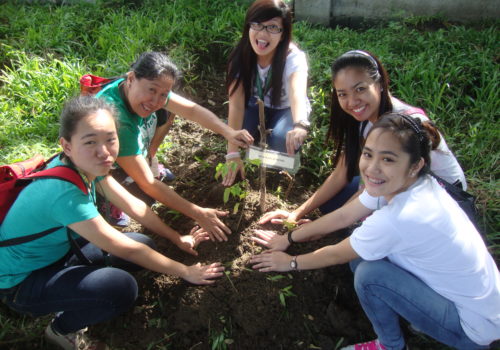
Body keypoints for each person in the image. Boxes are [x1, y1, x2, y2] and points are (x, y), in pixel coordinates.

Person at [249, 112, 500, 350]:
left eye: (388, 159)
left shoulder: (401, 217)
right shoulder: (415, 183)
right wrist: (288, 237)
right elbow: (344, 215)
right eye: (368, 154)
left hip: (473, 329)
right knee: (361, 256)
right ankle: (411, 316)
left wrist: (290, 263)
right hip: (481, 304)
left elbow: (336, 254)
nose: (372, 168)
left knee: (369, 274)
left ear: (415, 165)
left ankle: (390, 344)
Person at [0, 96, 224, 350]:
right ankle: (61, 331)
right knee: (121, 288)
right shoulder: (62, 193)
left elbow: (135, 206)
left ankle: (79, 290)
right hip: (20, 282)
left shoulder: (85, 167)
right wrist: (185, 271)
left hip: (56, 254)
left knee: (144, 242)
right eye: (90, 142)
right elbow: (124, 248)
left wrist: (177, 238)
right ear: (67, 145)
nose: (104, 152)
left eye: (110, 139)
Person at [260, 49, 466, 225]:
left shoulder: (402, 127)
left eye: (360, 89)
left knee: (356, 238)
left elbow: (369, 195)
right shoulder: (363, 119)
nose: (352, 102)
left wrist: (314, 230)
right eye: (343, 94)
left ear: (380, 84)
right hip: (395, 183)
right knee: (332, 203)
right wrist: (296, 214)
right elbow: (342, 172)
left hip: (442, 199)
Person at [96, 51, 254, 241]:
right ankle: (109, 196)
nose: (155, 101)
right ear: (131, 78)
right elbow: (148, 183)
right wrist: (198, 213)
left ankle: (145, 161)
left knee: (166, 111)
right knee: (144, 195)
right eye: (152, 90)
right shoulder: (116, 118)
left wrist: (229, 132)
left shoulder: (140, 91)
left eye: (163, 94)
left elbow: (192, 111)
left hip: (130, 148)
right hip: (103, 170)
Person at [222, 0, 311, 186]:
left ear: (283, 33)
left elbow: (297, 93)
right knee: (239, 134)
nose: (262, 34)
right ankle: (253, 153)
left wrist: (300, 124)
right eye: (257, 25)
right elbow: (237, 105)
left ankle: (283, 169)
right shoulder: (240, 57)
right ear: (248, 26)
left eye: (272, 27)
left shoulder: (294, 58)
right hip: (256, 105)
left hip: (285, 109)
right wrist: (232, 154)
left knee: (281, 139)